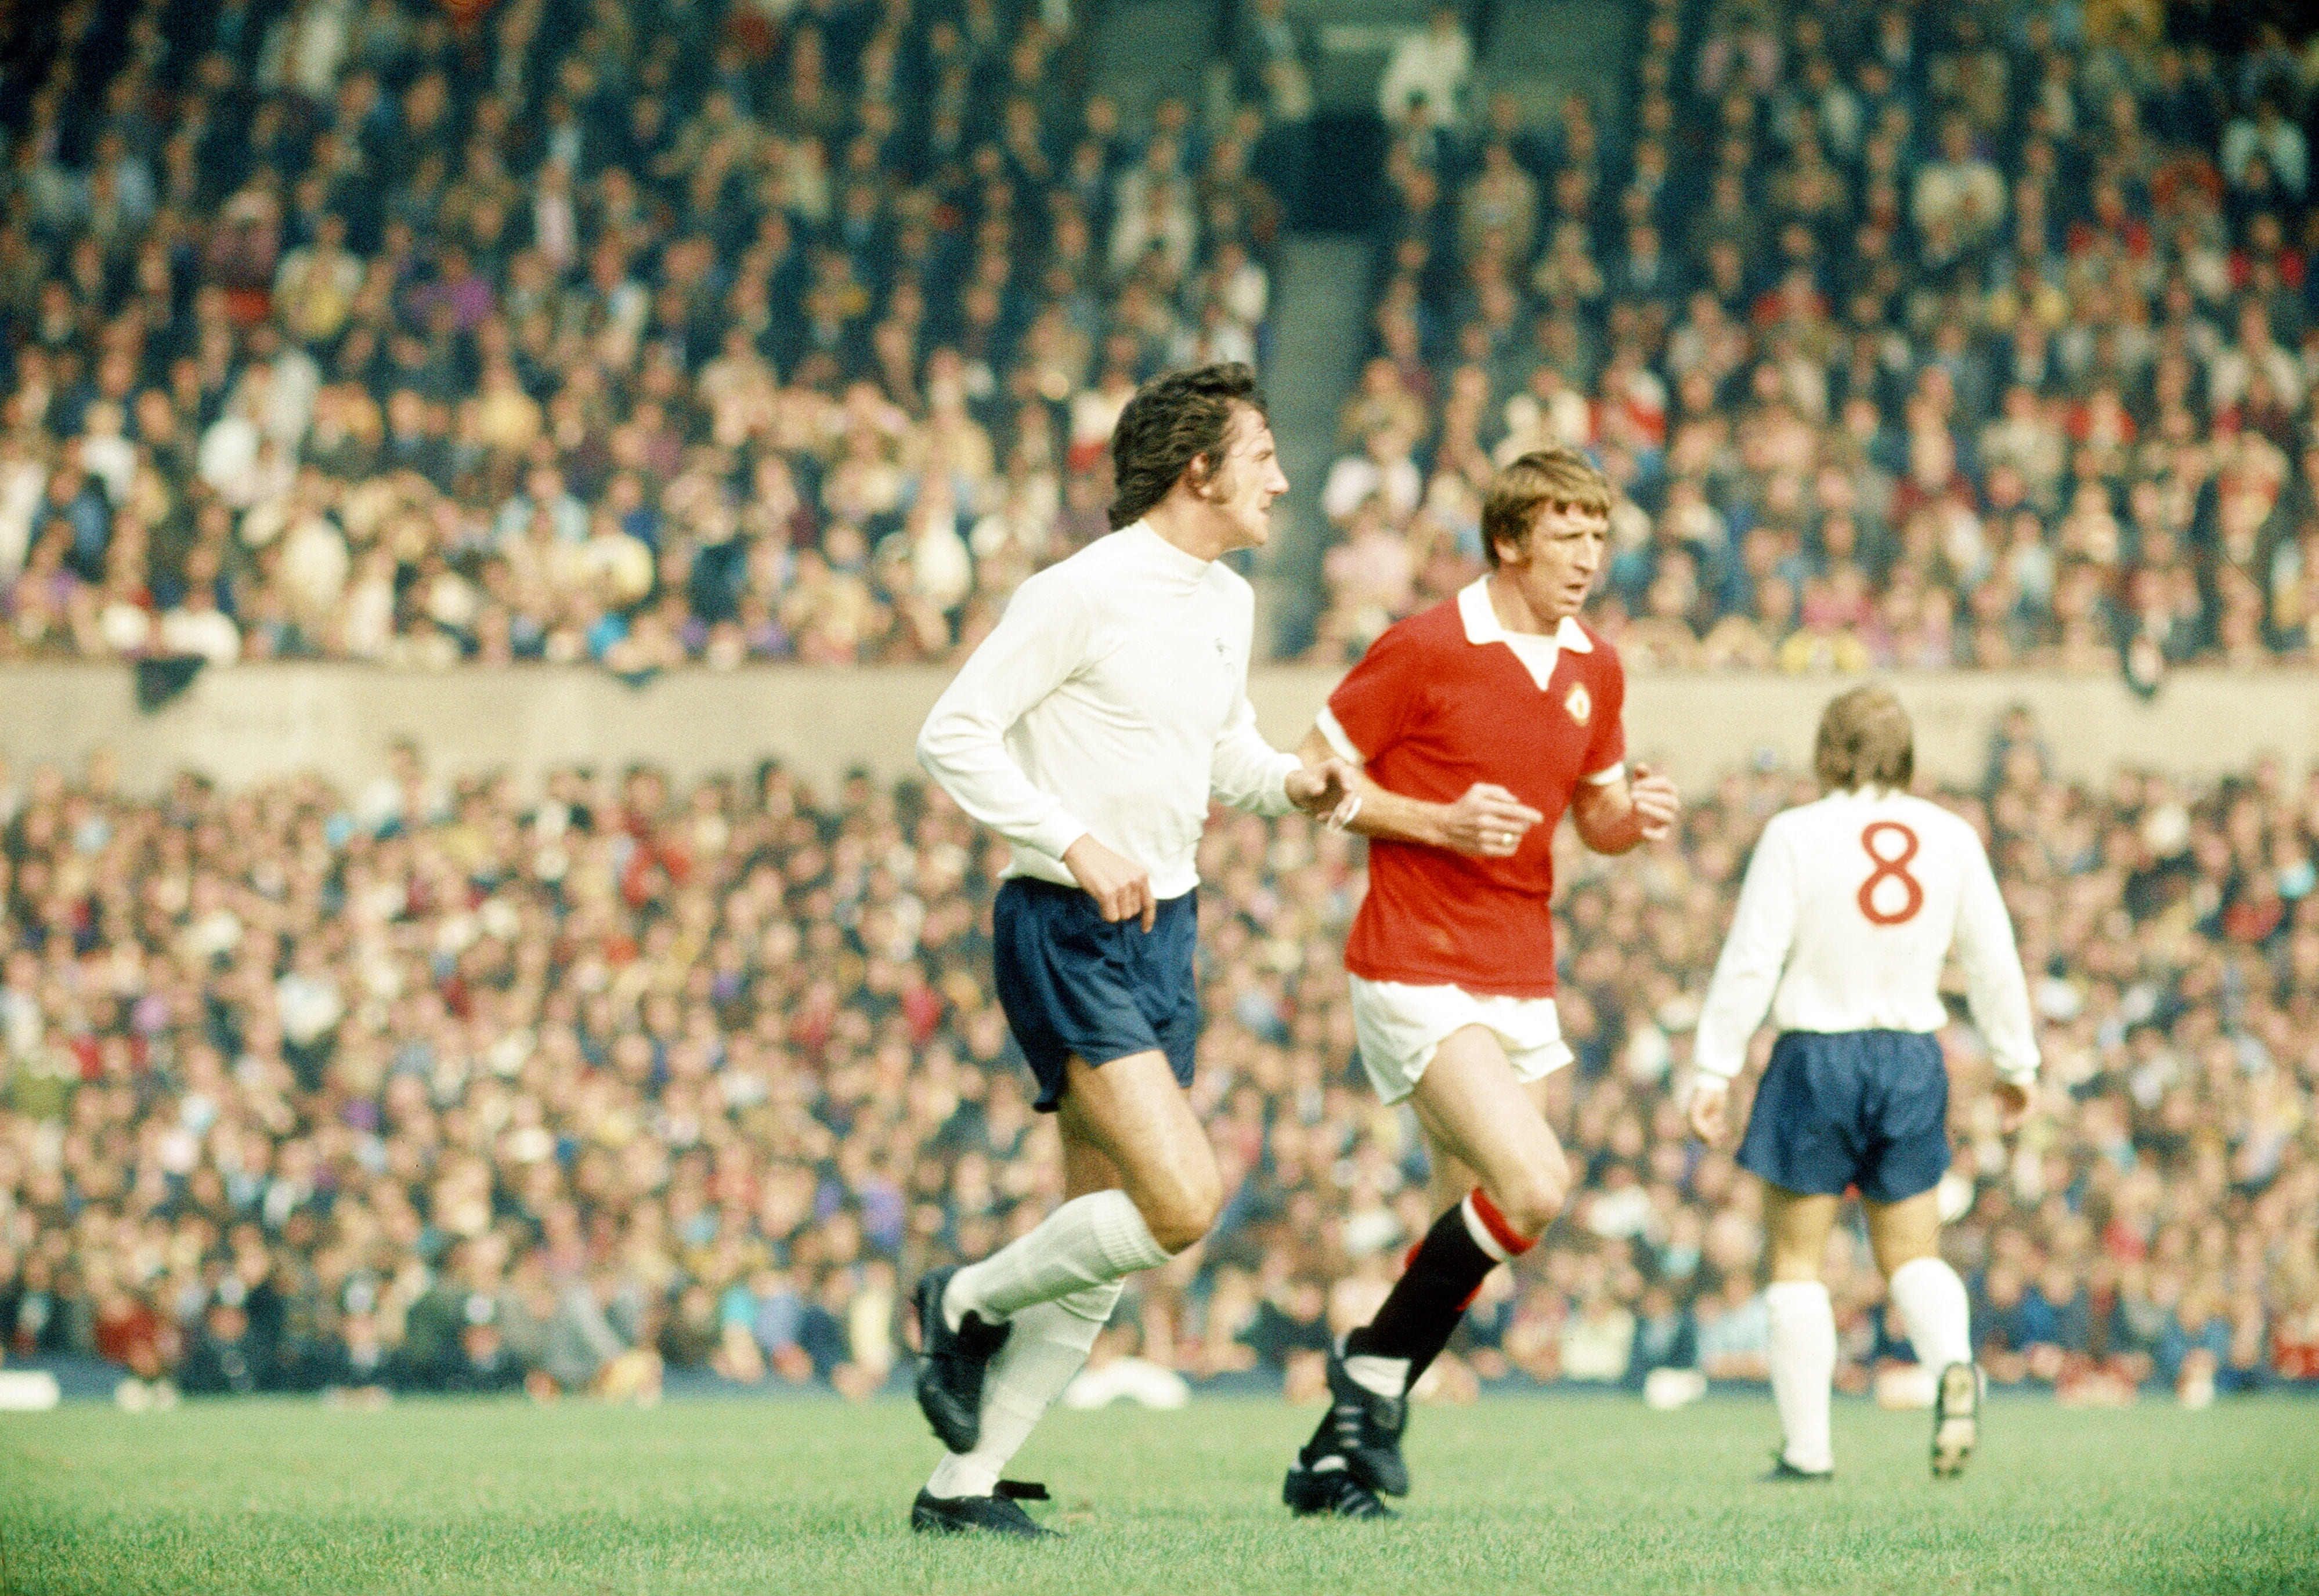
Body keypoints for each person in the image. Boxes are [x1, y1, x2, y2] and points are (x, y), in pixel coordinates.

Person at [911, 362, 1355, 1538]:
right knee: (1182, 1198)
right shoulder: (1079, 591)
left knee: (1099, 1243)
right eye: (1263, 455)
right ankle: (959, 1298)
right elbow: (950, 730)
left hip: (1167, 926)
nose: (1283, 477)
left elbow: (1223, 753)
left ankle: (962, 1488)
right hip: (1065, 925)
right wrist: (1069, 835)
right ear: (1197, 468)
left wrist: (1295, 782)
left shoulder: (1225, 599)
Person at [1281, 445, 1681, 1518]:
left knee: (1467, 1222)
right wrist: (1435, 822)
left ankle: (1330, 1460)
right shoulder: (1422, 647)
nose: (1587, 557)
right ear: (1509, 541)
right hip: (1414, 963)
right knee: (1535, 1186)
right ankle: (1368, 1375)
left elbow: (1593, 820)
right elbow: (1312, 779)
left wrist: (1630, 821)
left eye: (1598, 537)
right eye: (1566, 535)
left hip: (1520, 971)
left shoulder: (1597, 664)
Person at [1688, 684, 2039, 1482]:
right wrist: (2017, 1064)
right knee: (1913, 1252)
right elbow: (1993, 959)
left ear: (1827, 749)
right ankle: (1953, 1363)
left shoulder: (1796, 834)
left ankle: (1808, 1450)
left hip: (1818, 1051)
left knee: (1797, 1262)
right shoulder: (1951, 835)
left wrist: (1714, 1065)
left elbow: (1752, 957)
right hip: (1914, 1054)